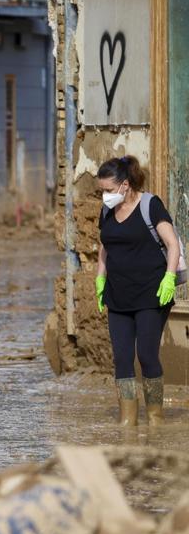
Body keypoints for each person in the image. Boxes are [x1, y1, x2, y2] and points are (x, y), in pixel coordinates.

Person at [95, 155, 182, 425]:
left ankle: (155, 418)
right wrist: (100, 280)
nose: (104, 196)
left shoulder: (150, 205)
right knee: (121, 358)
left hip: (151, 293)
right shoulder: (108, 210)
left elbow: (172, 244)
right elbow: (104, 247)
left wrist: (169, 278)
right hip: (118, 294)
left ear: (125, 185)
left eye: (108, 190)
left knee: (146, 354)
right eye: (102, 191)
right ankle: (127, 421)